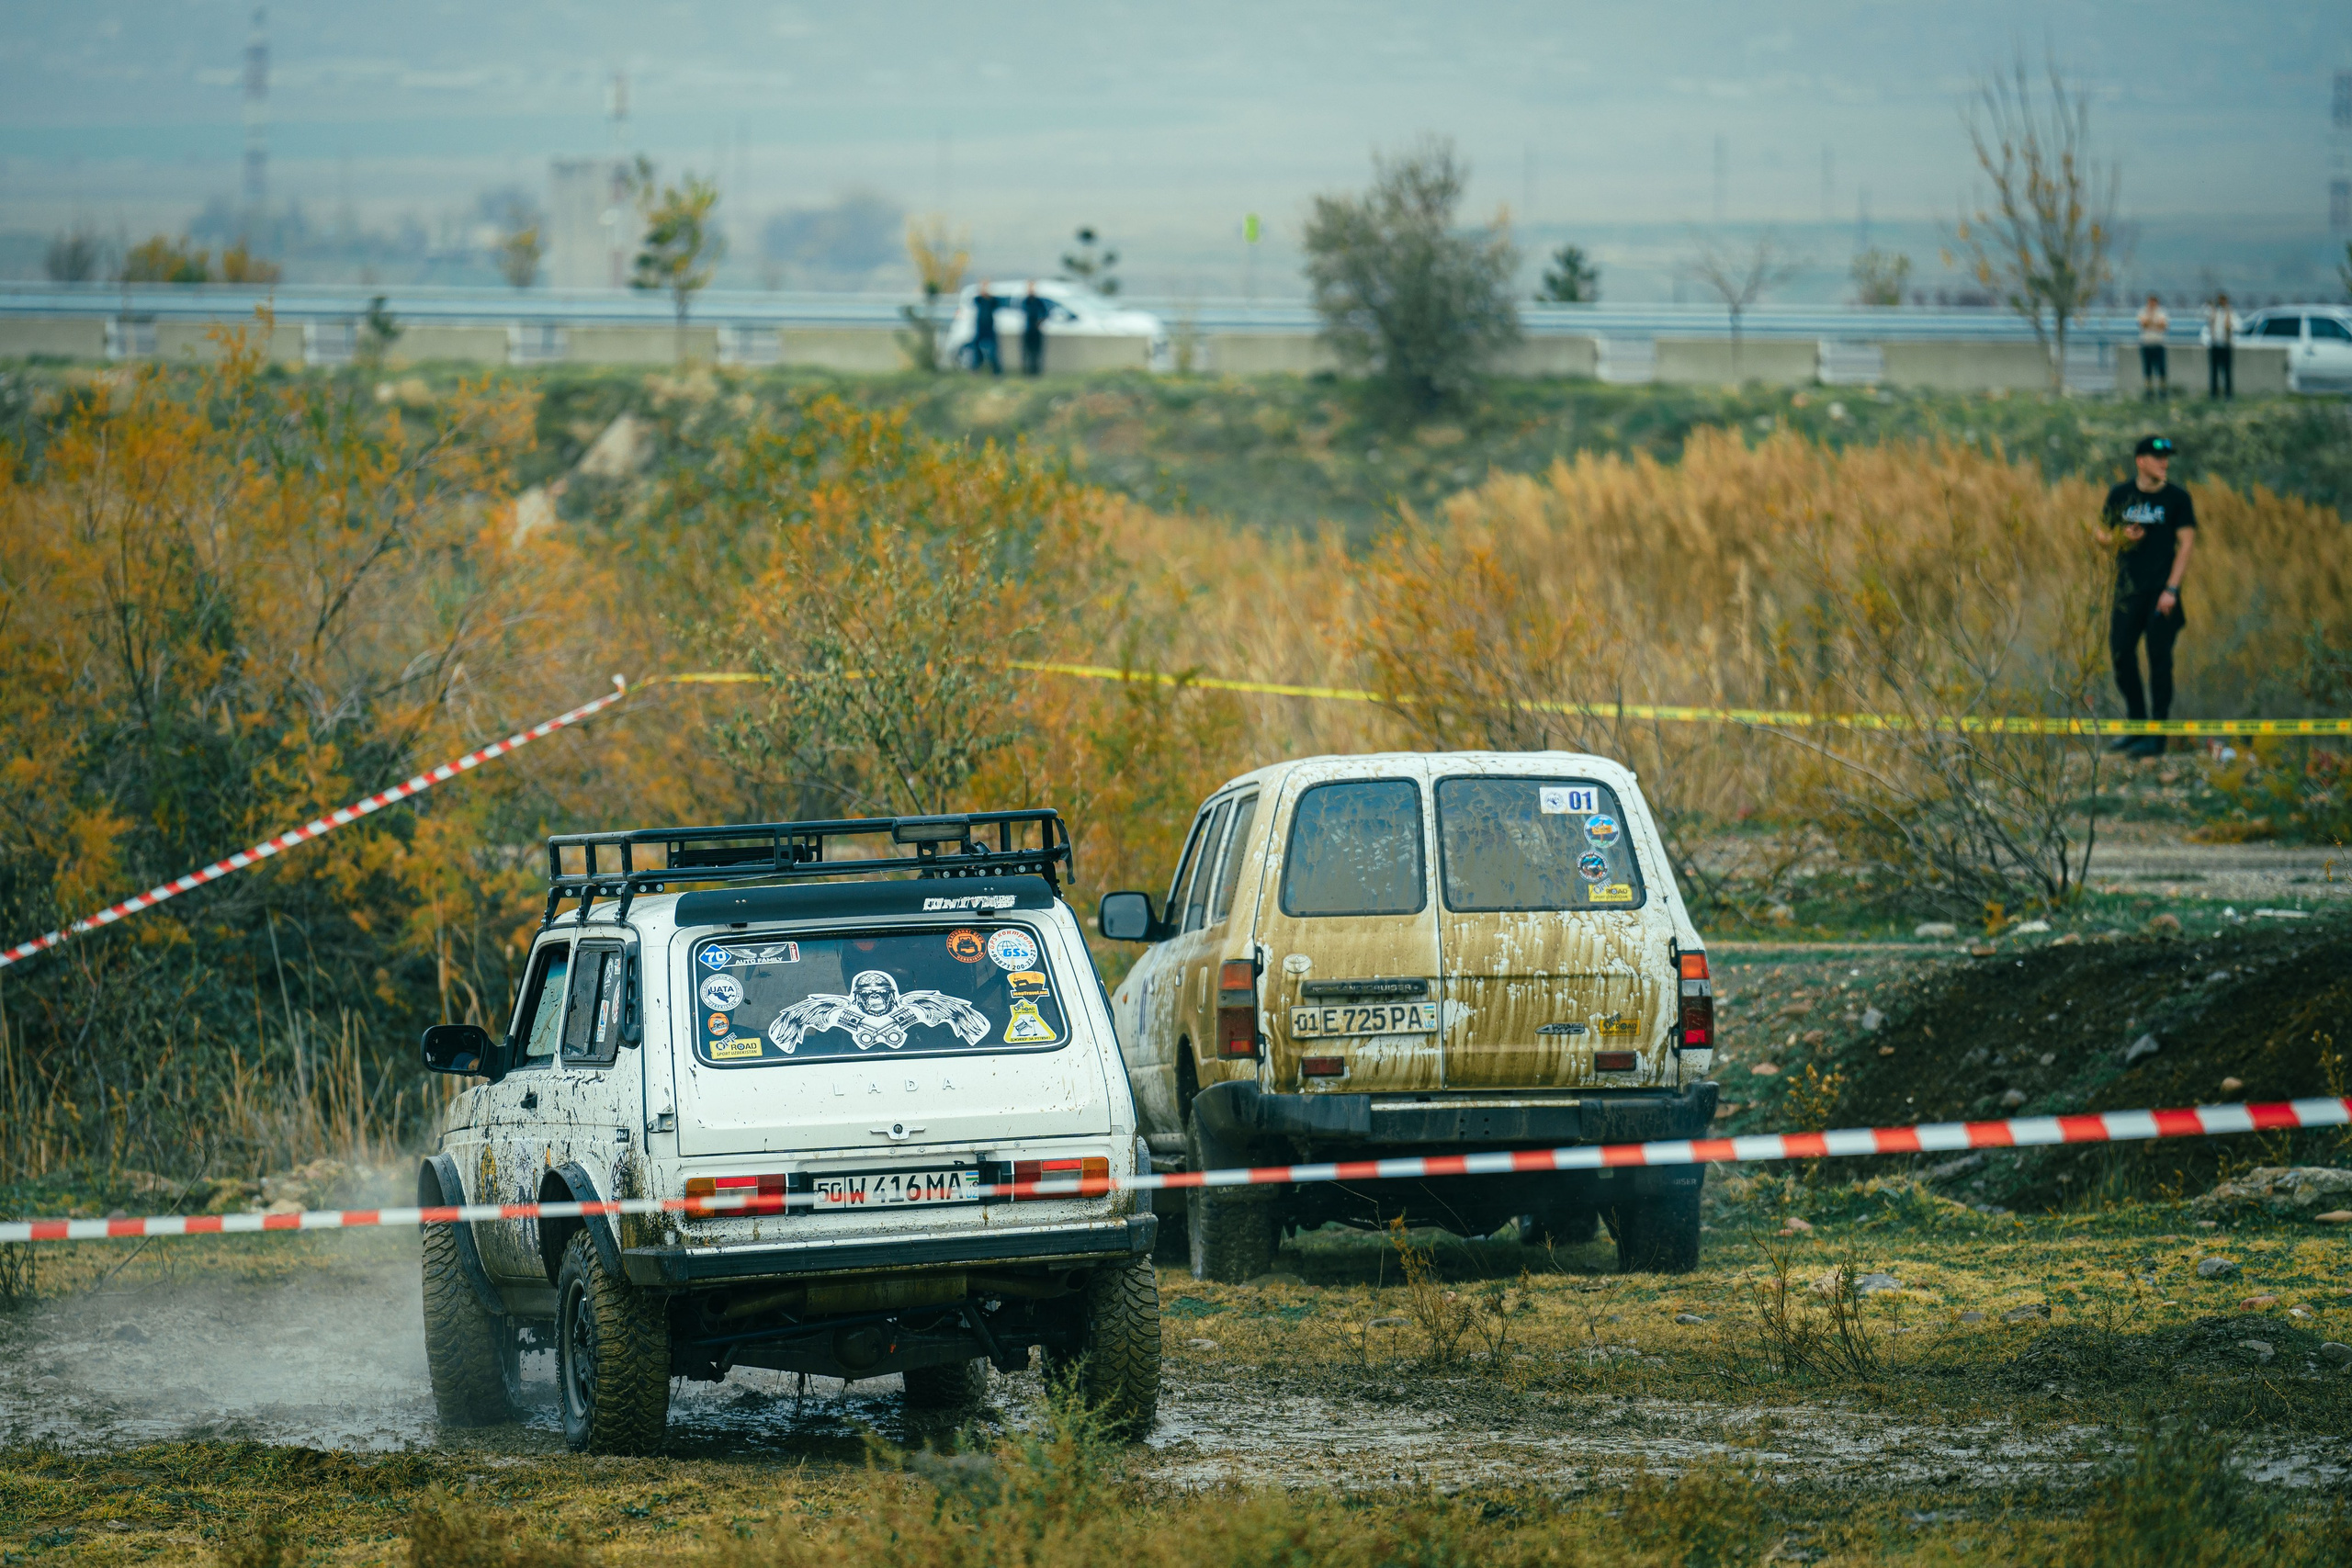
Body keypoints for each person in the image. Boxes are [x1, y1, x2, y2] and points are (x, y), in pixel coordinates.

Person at [2099, 435, 2197, 758]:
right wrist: (2121, 536)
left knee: (2159, 661)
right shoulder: (2121, 494)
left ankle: (2157, 735)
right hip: (2127, 591)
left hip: (2161, 593)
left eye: (2167, 458)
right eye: (2158, 458)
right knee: (2121, 655)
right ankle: (2137, 725)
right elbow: (2100, 533)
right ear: (2141, 461)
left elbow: (2186, 543)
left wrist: (2172, 589)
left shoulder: (2177, 498)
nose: (2165, 463)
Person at [2136, 294, 2169, 399]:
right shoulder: (2142, 311)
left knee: (2161, 369)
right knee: (2147, 370)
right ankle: (2149, 391)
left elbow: (2162, 325)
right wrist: (2153, 320)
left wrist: (2152, 322)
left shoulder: (2162, 312)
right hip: (2147, 344)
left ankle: (2162, 391)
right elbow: (2144, 324)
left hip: (2158, 344)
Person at [968, 280, 1002, 375]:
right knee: (977, 349)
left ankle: (996, 370)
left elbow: (996, 303)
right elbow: (975, 300)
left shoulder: (992, 300)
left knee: (993, 349)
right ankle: (976, 367)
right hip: (980, 327)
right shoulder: (979, 299)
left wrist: (988, 293)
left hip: (989, 327)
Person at [2206, 292, 2236, 400]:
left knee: (2227, 371)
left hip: (2225, 345)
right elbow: (2209, 320)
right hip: (2215, 344)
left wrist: (2228, 314)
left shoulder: (2230, 312)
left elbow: (2233, 325)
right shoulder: (2215, 312)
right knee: (2214, 371)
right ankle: (2214, 394)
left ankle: (2228, 394)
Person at [1019, 280, 1051, 376]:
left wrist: (1040, 322)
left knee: (1036, 352)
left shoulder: (1038, 302)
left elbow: (1046, 313)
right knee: (1027, 351)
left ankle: (1035, 371)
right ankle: (1027, 371)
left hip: (1036, 330)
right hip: (1028, 330)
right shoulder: (1026, 301)